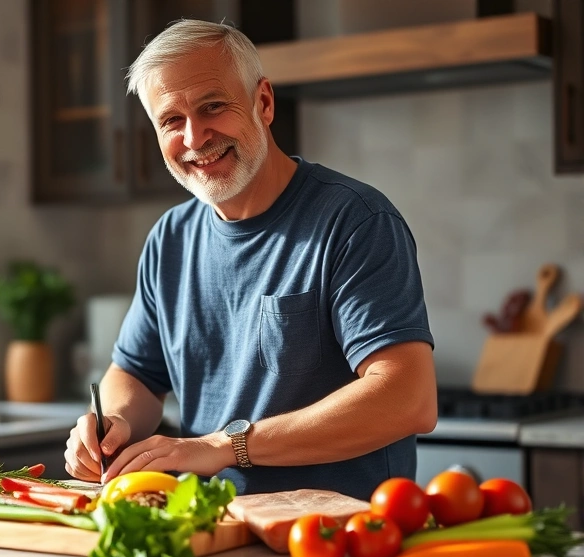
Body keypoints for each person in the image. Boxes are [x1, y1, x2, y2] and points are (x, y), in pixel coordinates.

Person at [64, 19, 437, 500]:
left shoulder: (356, 221)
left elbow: (408, 398)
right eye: (171, 121)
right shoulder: (170, 239)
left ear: (263, 102)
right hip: (209, 530)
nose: (195, 138)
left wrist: (228, 446)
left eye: (213, 106)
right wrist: (112, 421)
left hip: (340, 542)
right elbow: (135, 373)